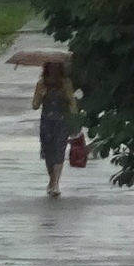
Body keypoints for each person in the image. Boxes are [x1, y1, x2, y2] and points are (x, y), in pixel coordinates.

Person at [32, 61, 79, 197]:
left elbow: (72, 104)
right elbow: (35, 105)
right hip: (47, 122)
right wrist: (41, 95)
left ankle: (55, 183)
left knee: (59, 150)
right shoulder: (41, 83)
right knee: (48, 152)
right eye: (51, 68)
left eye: (57, 68)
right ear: (47, 69)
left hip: (62, 122)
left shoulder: (66, 83)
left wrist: (74, 122)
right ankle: (52, 179)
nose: (54, 71)